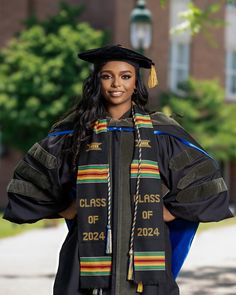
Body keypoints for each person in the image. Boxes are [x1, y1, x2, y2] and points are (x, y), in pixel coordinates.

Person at [3, 45, 233, 295]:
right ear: (96, 81)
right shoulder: (75, 132)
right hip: (84, 258)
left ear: (137, 83)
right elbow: (31, 181)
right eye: (106, 76)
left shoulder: (161, 133)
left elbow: (206, 185)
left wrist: (163, 212)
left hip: (146, 258)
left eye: (125, 76)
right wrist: (69, 209)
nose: (116, 84)